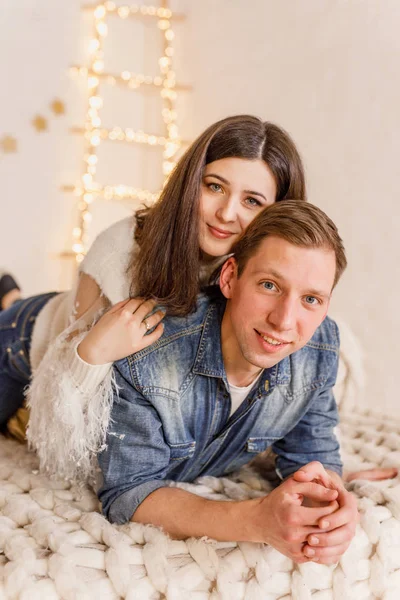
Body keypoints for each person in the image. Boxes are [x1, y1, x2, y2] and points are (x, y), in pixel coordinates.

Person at [0, 115, 306, 466]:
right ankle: (10, 299)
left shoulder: (260, 268)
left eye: (252, 201)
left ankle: (9, 291)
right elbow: (63, 402)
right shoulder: (118, 252)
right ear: (191, 183)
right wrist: (94, 350)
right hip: (24, 342)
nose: (226, 213)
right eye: (214, 187)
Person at [96, 201, 358, 564]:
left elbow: (312, 452)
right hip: (25, 345)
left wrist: (331, 506)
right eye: (269, 285)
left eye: (311, 299)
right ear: (230, 277)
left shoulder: (319, 346)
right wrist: (256, 520)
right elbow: (128, 492)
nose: (285, 321)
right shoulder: (149, 352)